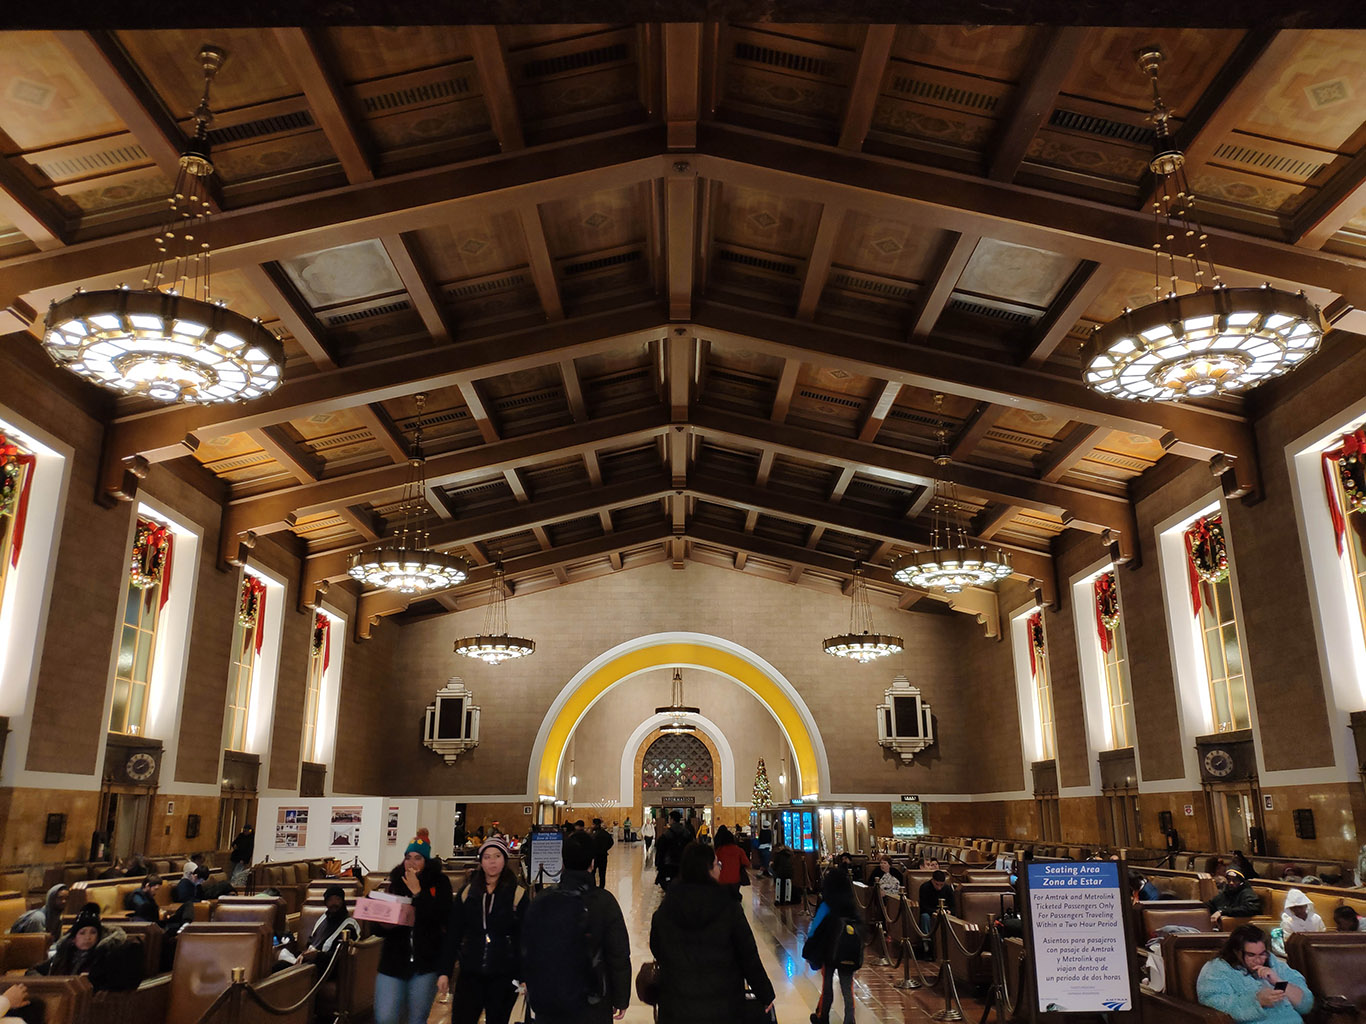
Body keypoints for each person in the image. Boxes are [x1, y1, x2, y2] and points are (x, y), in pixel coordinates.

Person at [649, 842, 775, 1024]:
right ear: (707, 869)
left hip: (676, 1005)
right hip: (724, 1005)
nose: (719, 869)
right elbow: (748, 955)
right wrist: (765, 993)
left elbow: (656, 948)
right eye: (717, 864)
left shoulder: (666, 909)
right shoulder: (728, 906)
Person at [521, 830, 631, 1023]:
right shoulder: (604, 902)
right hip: (593, 999)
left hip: (550, 998)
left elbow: (528, 946)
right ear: (592, 864)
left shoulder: (542, 899)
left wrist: (529, 984)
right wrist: (621, 997)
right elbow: (618, 954)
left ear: (562, 863)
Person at [436, 836, 526, 1024]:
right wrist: (445, 971)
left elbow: (524, 939)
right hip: (470, 972)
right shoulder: (468, 893)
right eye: (487, 857)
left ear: (505, 859)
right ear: (480, 861)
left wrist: (524, 976)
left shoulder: (518, 895)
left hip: (504, 975)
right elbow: (454, 933)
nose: (492, 861)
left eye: (497, 856)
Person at [374, 840, 452, 1024]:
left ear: (426, 861)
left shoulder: (439, 883)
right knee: (385, 1018)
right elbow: (378, 928)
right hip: (393, 963)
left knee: (417, 1019)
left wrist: (418, 893)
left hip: (424, 965)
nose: (412, 862)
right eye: (408, 858)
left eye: (418, 858)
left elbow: (442, 917)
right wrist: (383, 923)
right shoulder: (394, 883)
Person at [1196, 924, 1310, 1023]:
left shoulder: (1274, 963)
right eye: (1251, 955)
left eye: (1262, 954)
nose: (1258, 960)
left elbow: (1306, 1005)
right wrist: (1257, 1001)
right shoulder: (1216, 969)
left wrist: (1278, 982)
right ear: (1236, 951)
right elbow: (1215, 1007)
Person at [28, 903, 142, 991]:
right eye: (82, 933)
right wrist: (46, 984)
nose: (88, 937)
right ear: (73, 939)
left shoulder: (105, 955)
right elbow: (34, 971)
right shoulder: (65, 954)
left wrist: (90, 979)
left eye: (93, 932)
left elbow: (123, 981)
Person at [803, 867, 863, 1024]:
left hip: (829, 951)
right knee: (847, 987)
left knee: (827, 985)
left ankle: (823, 1017)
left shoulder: (827, 904)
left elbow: (814, 929)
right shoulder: (851, 905)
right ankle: (849, 1019)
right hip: (848, 952)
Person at [297, 885, 358, 973]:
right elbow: (311, 940)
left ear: (342, 901)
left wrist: (318, 956)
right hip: (310, 961)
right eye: (330, 900)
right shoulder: (323, 918)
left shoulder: (350, 924)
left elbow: (344, 955)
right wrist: (305, 954)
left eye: (337, 899)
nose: (334, 903)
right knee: (280, 965)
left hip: (329, 967)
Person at [917, 870, 956, 951]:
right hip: (929, 912)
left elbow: (953, 905)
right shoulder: (925, 887)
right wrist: (934, 911)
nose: (939, 888)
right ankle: (927, 943)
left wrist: (949, 911)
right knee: (925, 917)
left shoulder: (947, 889)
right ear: (932, 881)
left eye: (941, 885)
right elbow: (923, 906)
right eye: (937, 884)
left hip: (945, 913)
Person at [654, 809, 688, 889]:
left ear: (672, 819)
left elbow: (661, 851)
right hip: (683, 864)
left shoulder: (666, 834)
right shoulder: (687, 833)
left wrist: (658, 864)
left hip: (669, 864)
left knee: (669, 886)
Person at [712, 826, 747, 899]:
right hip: (736, 879)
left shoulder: (719, 851)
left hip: (722, 879)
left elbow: (716, 863)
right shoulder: (739, 850)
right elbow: (746, 863)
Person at [590, 818, 614, 888]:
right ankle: (602, 888)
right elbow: (611, 842)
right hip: (603, 855)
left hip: (595, 856)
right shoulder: (605, 833)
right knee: (602, 874)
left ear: (595, 825)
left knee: (593, 872)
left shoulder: (593, 835)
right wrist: (605, 849)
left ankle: (593, 887)